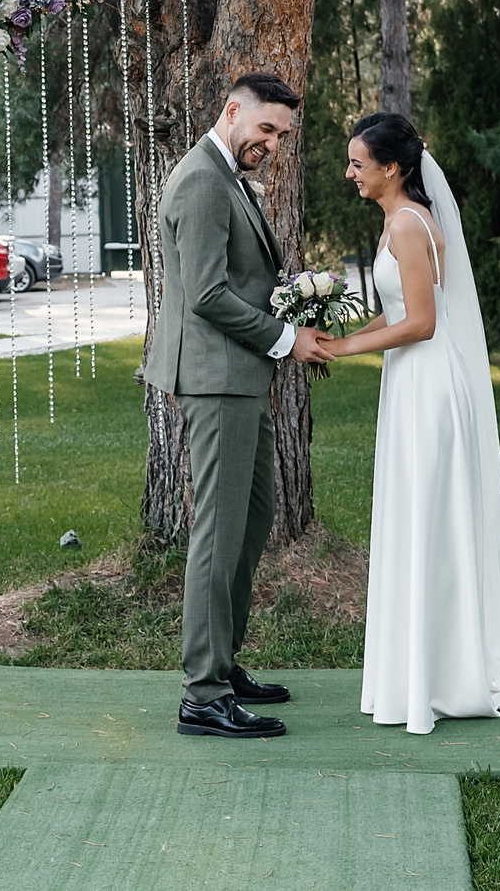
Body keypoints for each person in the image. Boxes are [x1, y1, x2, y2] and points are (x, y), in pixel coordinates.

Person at [320, 111, 500, 732]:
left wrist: (342, 350)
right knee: (421, 515)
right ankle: (425, 668)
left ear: (391, 168)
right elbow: (396, 312)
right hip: (412, 380)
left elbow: (422, 323)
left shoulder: (409, 225)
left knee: (431, 515)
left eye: (358, 163)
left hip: (429, 384)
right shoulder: (403, 221)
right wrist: (334, 336)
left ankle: (443, 675)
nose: (350, 173)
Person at [143, 72, 330, 740]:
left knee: (249, 524)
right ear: (232, 111)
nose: (273, 143)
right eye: (266, 128)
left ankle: (223, 663)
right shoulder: (200, 180)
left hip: (240, 378)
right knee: (219, 536)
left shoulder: (224, 175)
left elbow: (242, 279)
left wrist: (293, 297)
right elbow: (208, 294)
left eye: (282, 134)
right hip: (216, 380)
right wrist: (289, 337)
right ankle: (203, 694)